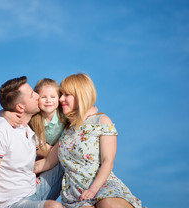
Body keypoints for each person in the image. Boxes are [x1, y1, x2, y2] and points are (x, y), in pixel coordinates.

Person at [34, 74, 142, 208]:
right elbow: (47, 163)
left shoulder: (101, 121)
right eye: (61, 94)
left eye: (66, 94)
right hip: (75, 194)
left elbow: (108, 161)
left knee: (109, 204)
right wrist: (12, 168)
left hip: (102, 184)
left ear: (80, 95)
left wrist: (93, 189)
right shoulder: (66, 131)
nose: (61, 98)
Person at [0, 76, 64, 208]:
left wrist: (71, 132)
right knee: (54, 207)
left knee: (69, 160)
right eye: (32, 95)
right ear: (20, 107)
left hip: (33, 191)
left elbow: (49, 152)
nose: (37, 96)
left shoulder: (26, 130)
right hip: (10, 203)